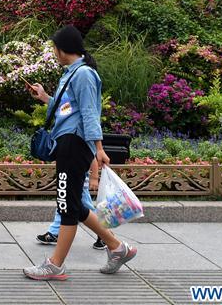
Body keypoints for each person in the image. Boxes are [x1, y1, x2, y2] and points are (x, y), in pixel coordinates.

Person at [24, 25, 137, 280]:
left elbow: (88, 113)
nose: (53, 52)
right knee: (76, 205)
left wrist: (98, 148)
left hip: (74, 145)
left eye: (54, 48)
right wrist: (44, 98)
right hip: (68, 142)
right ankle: (118, 248)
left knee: (66, 205)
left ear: (63, 50)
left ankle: (55, 265)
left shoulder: (84, 74)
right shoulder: (72, 73)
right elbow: (68, 108)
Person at [37, 158, 106, 250]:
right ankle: (54, 232)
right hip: (67, 178)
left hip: (78, 181)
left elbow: (92, 156)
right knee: (63, 205)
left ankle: (105, 234)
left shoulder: (84, 144)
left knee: (87, 209)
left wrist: (94, 177)